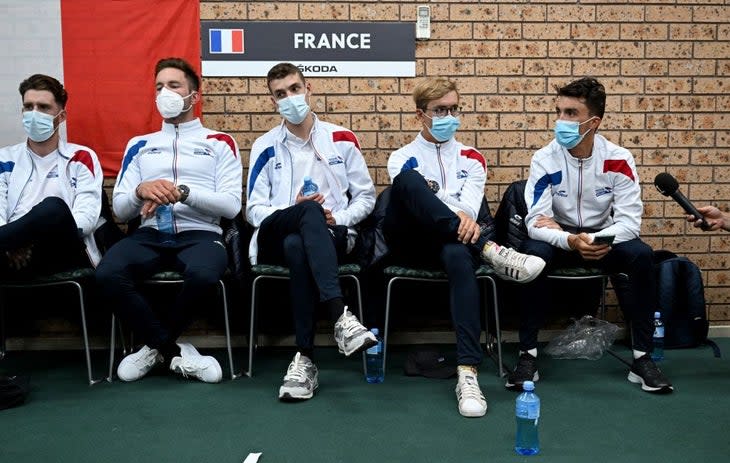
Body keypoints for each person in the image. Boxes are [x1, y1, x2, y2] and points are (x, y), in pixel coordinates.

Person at [385, 77, 546, 418]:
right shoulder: (402, 158)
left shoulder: (473, 158)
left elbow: (471, 209)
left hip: (455, 243)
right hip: (411, 242)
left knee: (458, 253)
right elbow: (431, 205)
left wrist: (457, 213)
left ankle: (467, 373)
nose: (448, 116)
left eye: (453, 109)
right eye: (439, 110)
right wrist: (452, 210)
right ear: (420, 115)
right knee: (410, 182)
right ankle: (490, 251)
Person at [507, 76, 673, 394]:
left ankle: (642, 358)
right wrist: (570, 239)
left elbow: (629, 223)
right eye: (559, 111)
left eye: (571, 113)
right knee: (533, 257)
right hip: (560, 237)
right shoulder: (545, 158)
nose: (561, 121)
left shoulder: (618, 159)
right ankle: (527, 355)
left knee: (641, 256)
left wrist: (597, 240)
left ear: (593, 122)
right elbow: (534, 221)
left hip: (604, 235)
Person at [95, 58, 242, 384]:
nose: (165, 92)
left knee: (204, 275)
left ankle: (151, 348)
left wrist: (183, 193)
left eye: (174, 85)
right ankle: (173, 350)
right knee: (107, 273)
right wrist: (140, 189)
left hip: (201, 234)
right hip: (148, 235)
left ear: (194, 95)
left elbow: (231, 206)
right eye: (159, 86)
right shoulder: (140, 145)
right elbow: (121, 209)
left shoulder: (219, 142)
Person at [246, 62, 376, 401]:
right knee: (305, 213)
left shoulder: (341, 138)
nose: (289, 98)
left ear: (309, 89)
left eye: (294, 89)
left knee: (298, 244)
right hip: (276, 232)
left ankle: (305, 360)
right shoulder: (265, 145)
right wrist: (297, 209)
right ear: (272, 101)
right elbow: (253, 209)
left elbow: (366, 197)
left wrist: (339, 217)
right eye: (280, 94)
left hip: (329, 235)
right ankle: (340, 316)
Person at [0, 74, 103, 278]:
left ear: (61, 116)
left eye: (44, 107)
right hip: (11, 254)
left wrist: (21, 239)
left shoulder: (81, 157)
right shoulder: (4, 159)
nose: (34, 113)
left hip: (64, 250)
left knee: (53, 208)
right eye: (29, 107)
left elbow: (86, 218)